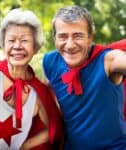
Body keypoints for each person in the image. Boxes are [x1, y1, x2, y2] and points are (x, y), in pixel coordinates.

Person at [0, 8, 63, 150]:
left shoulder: (39, 91)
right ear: (3, 44)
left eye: (24, 41)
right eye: (11, 40)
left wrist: (27, 145)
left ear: (35, 47)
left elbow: (54, 128)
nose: (17, 46)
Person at [43, 5, 126, 150]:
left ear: (90, 38)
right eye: (62, 36)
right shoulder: (50, 62)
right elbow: (47, 96)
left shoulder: (109, 60)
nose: (70, 45)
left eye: (78, 36)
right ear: (54, 38)